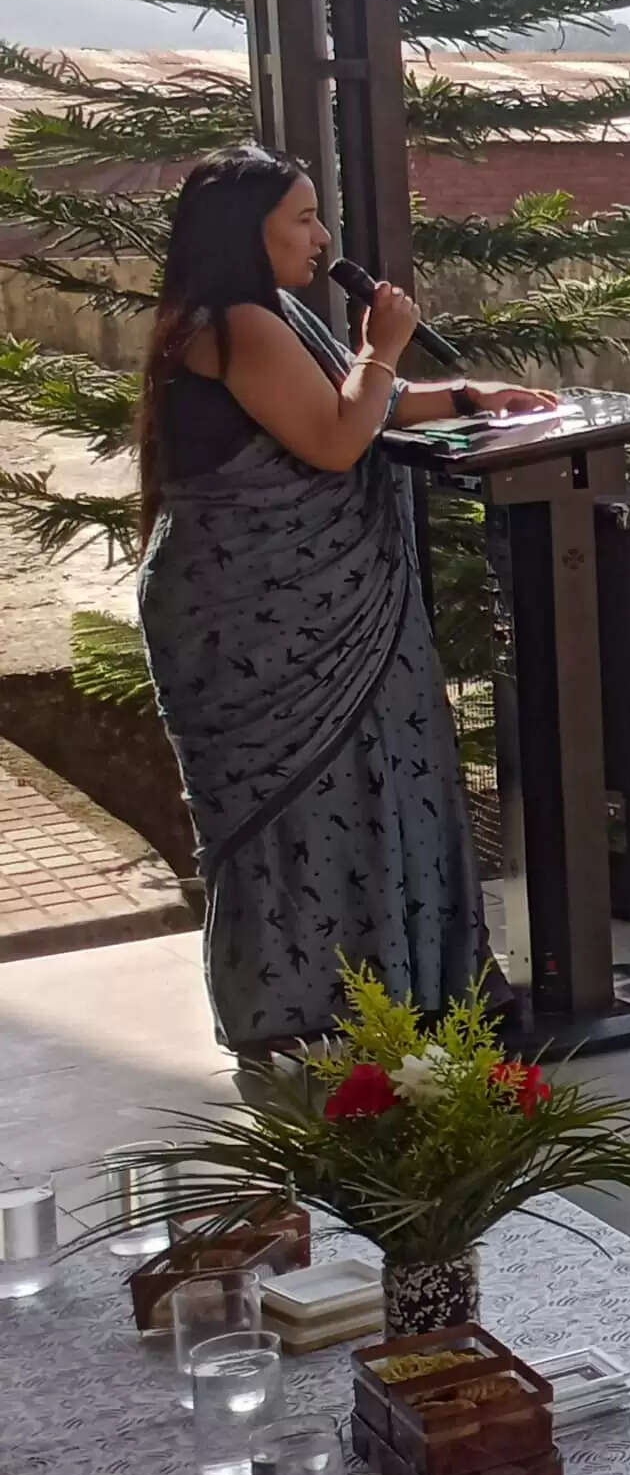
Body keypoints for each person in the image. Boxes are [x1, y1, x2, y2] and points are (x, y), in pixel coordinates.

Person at [135, 148, 550, 1048]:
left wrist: (473, 394)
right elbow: (334, 437)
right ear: (244, 232)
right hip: (261, 627)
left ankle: (398, 996)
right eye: (301, 221)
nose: (322, 239)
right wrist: (380, 346)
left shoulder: (271, 316)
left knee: (375, 786)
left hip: (325, 620)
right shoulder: (235, 325)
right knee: (301, 805)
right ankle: (314, 1011)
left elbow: (367, 405)